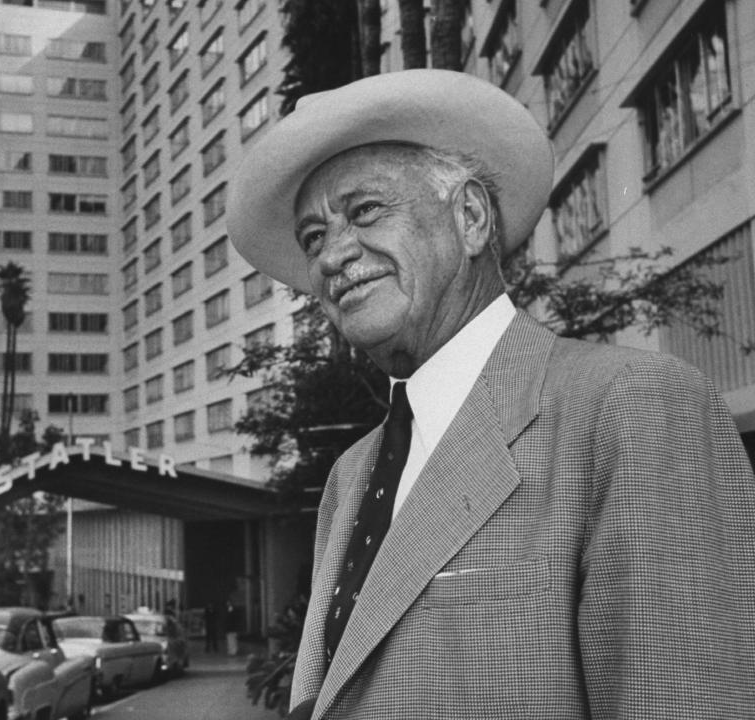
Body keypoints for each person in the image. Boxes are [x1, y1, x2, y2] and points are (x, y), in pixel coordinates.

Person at [227, 69, 755, 719]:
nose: (333, 255)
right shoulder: (350, 475)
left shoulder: (634, 405)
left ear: (471, 217)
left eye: (365, 211)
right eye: (313, 238)